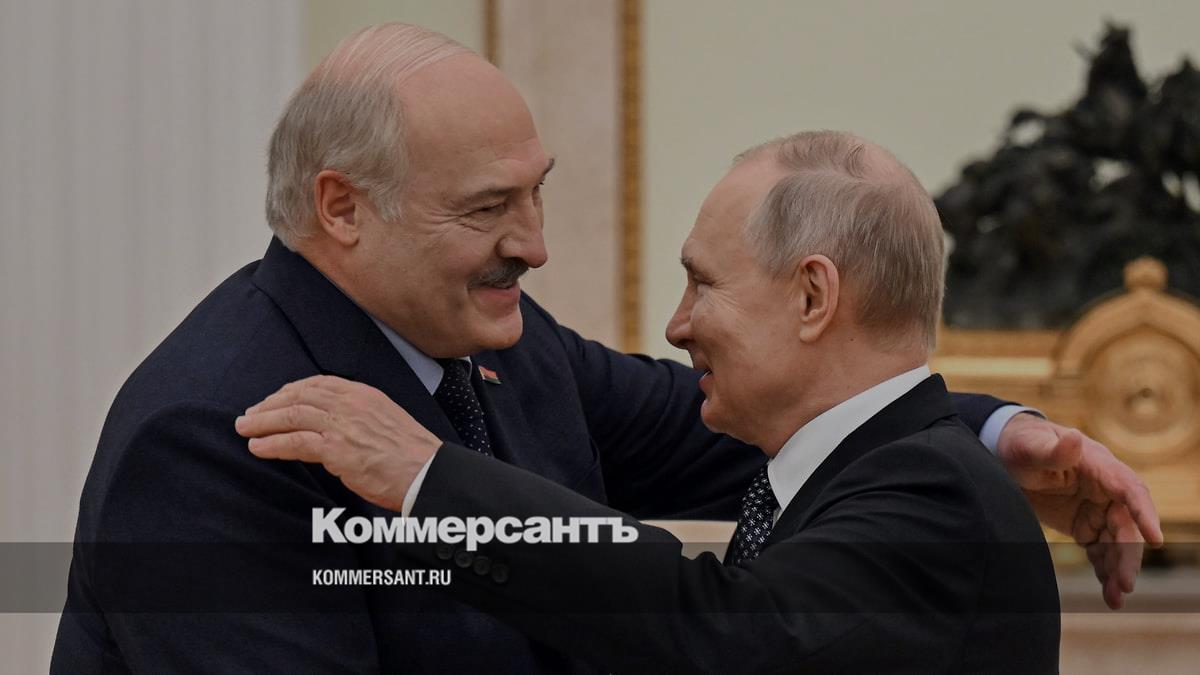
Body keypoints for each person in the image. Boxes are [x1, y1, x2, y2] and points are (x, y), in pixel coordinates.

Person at [53, 23, 1157, 674]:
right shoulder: (215, 435)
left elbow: (737, 423)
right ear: (342, 208)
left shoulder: (506, 349)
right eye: (488, 208)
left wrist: (988, 432)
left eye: (536, 194)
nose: (533, 246)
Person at [237, 131, 1062, 673]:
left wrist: (430, 479)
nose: (676, 324)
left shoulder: (932, 495)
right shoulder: (877, 468)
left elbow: (721, 633)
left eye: (704, 283)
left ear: (813, 297)